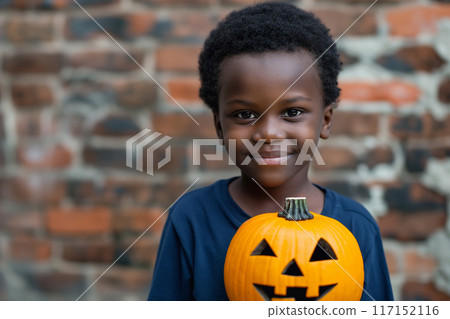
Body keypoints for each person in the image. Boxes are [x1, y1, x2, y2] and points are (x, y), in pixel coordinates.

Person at [148, 1, 393, 301]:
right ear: (220, 127)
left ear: (325, 120)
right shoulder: (191, 219)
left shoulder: (355, 226)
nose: (269, 133)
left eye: (292, 112)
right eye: (245, 115)